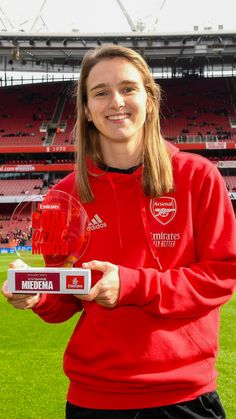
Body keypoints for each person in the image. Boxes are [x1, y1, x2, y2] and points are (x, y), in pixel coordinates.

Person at [2, 44, 236, 419]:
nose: (116, 101)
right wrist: (36, 294)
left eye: (128, 88)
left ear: (149, 98)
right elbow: (66, 300)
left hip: (183, 395)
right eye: (100, 92)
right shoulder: (62, 197)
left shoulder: (198, 176)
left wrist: (129, 285)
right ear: (87, 110)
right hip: (94, 398)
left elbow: (220, 277)